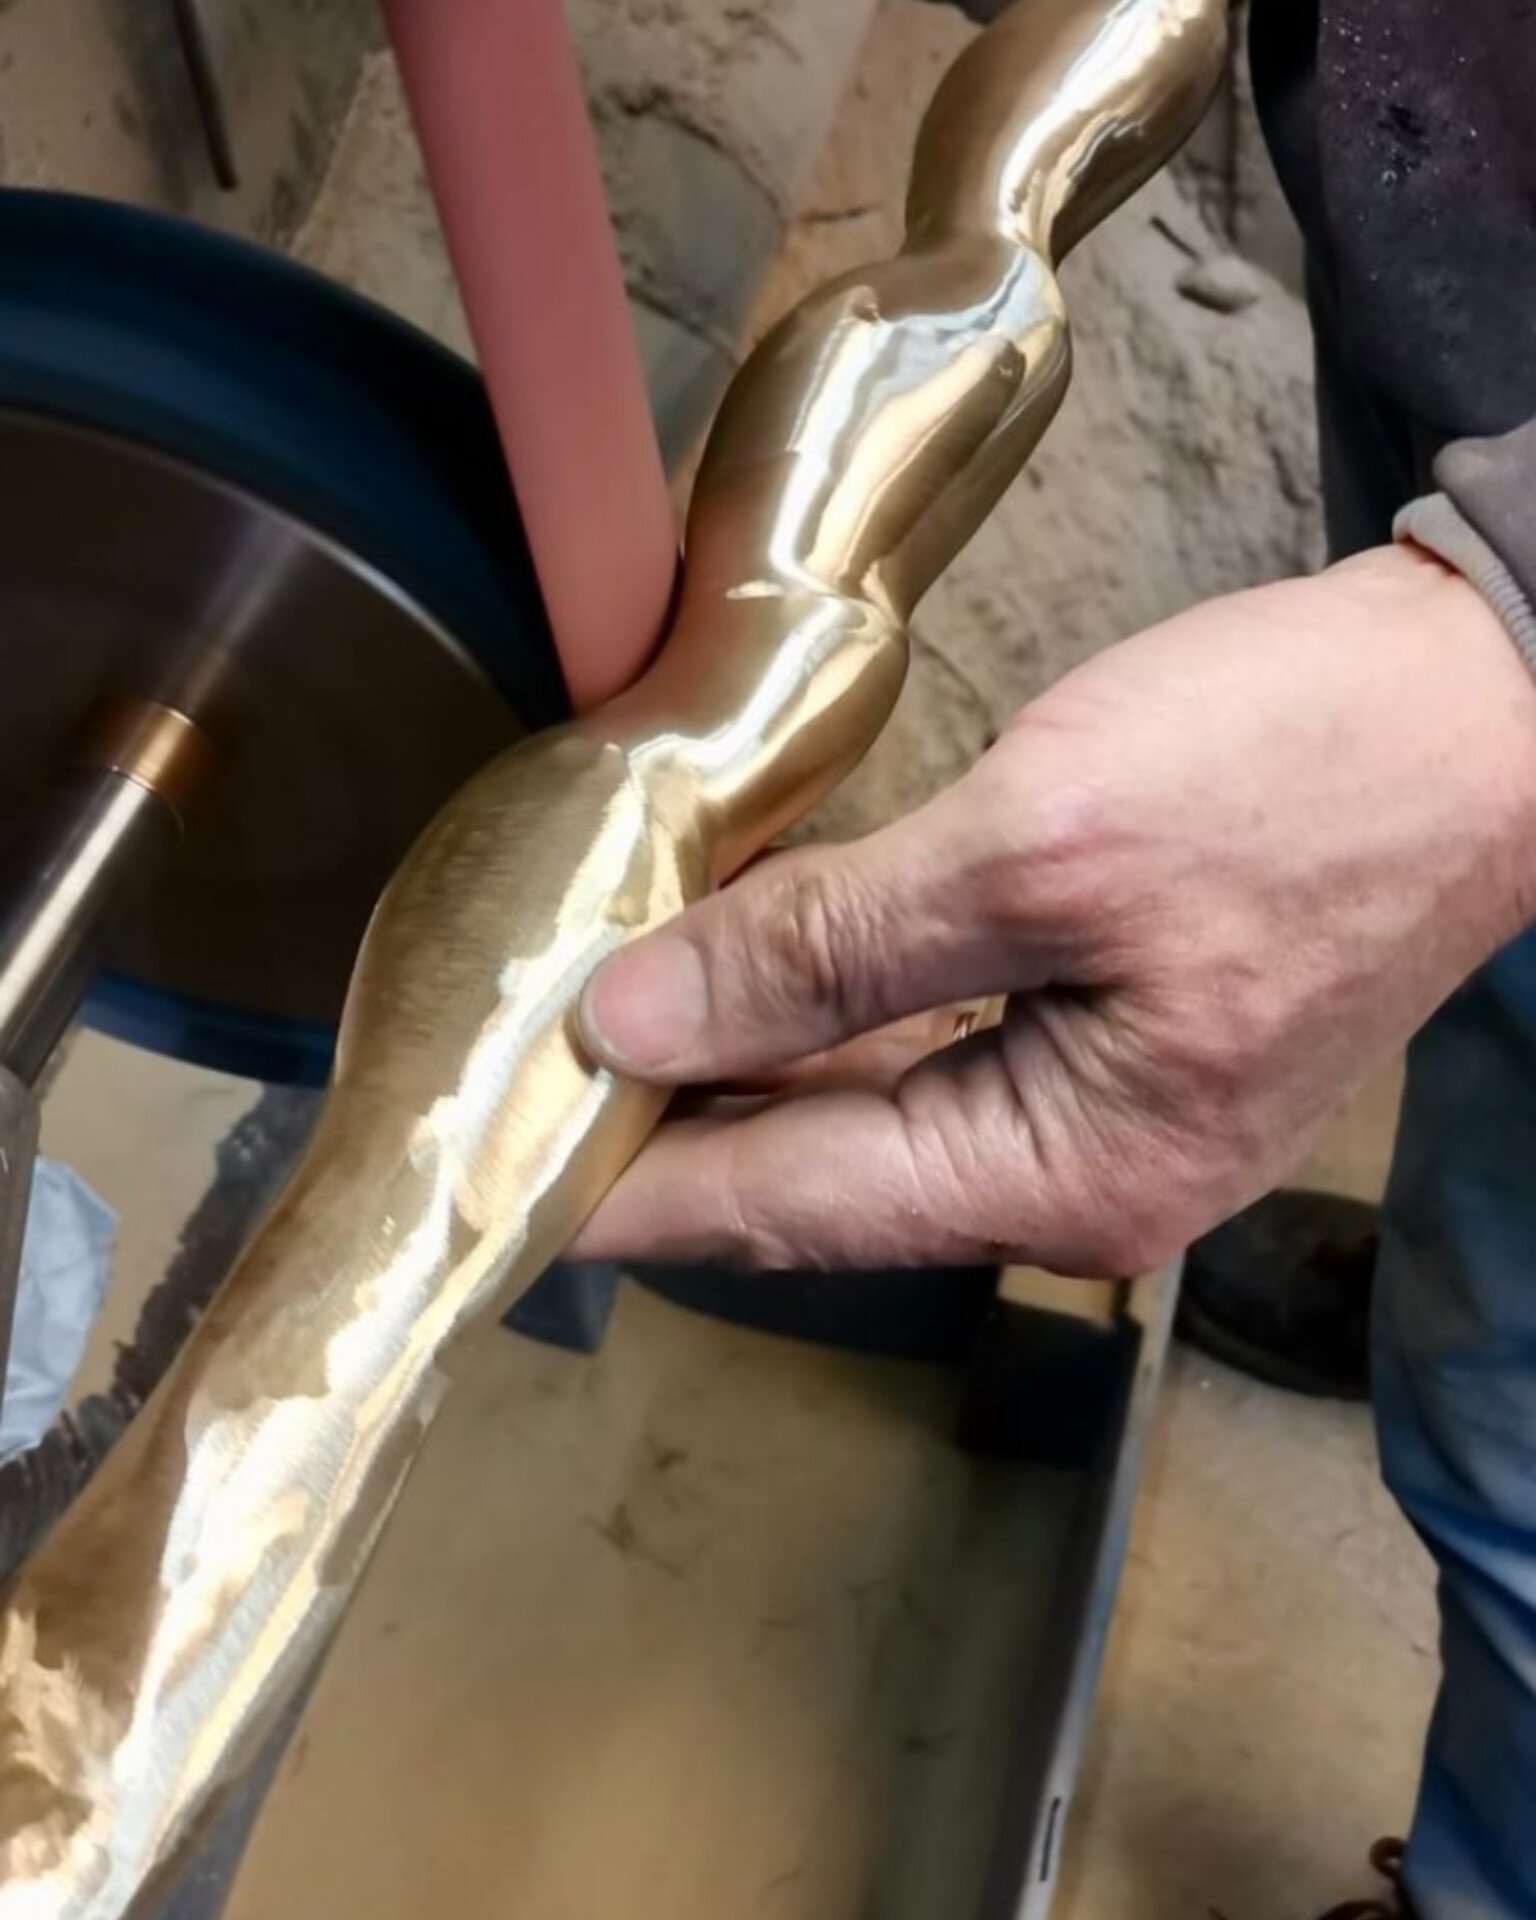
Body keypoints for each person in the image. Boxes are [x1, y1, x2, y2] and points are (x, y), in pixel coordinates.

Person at [572, 5, 1536, 1916]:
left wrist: (1510, 666)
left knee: (1514, 1458)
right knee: (1487, 1010)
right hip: (1477, 205)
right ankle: (1469, 1238)